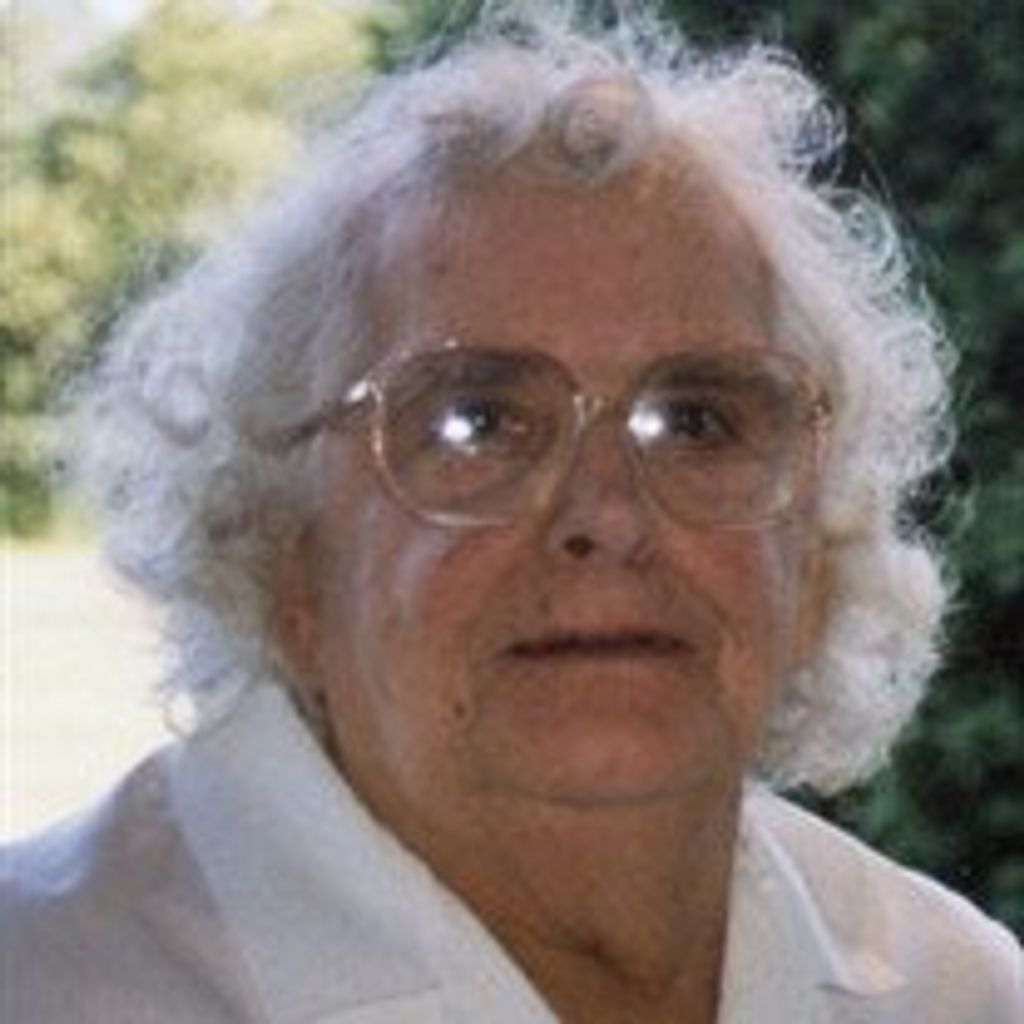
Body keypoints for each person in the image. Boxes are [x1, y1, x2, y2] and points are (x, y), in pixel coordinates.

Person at [2, 3, 1020, 1022]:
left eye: (700, 421)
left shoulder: (952, 988)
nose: (609, 513)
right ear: (286, 561)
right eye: (477, 422)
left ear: (816, 558)